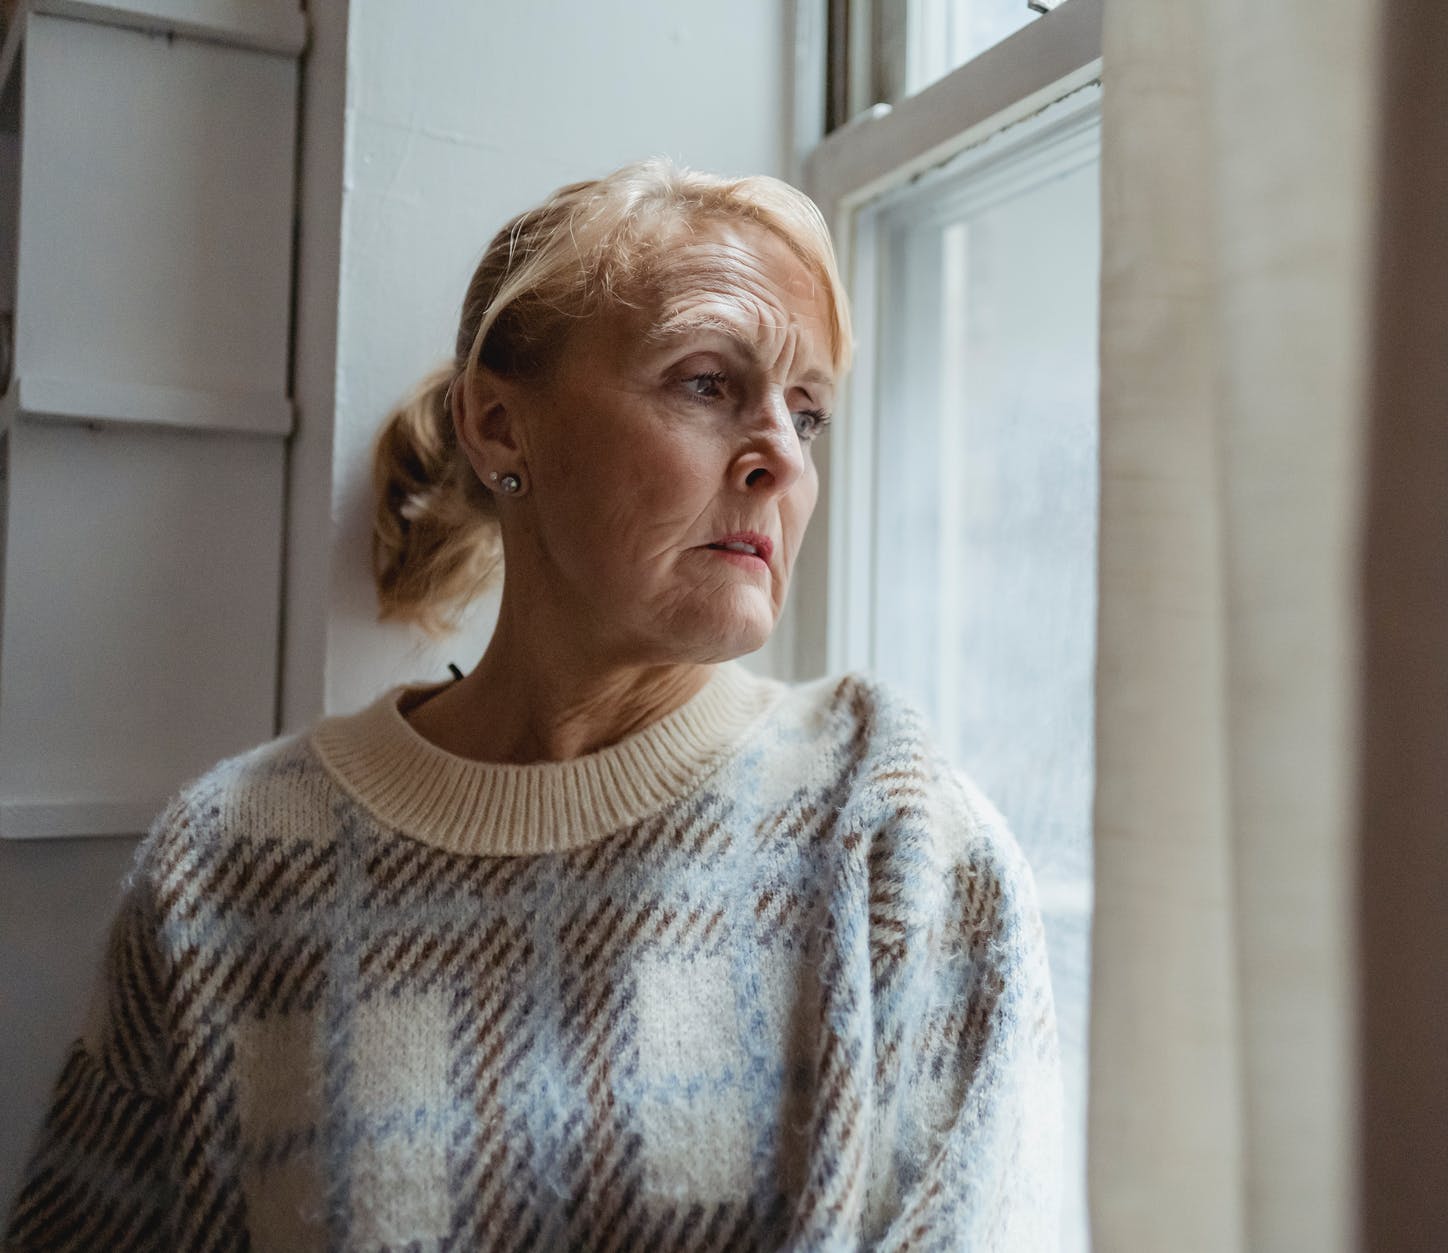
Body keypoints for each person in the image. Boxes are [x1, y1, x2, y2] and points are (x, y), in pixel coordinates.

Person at [3, 158, 1061, 1251]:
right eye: (707, 383)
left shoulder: (893, 836)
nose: (781, 460)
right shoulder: (228, 867)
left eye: (809, 414)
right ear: (501, 426)